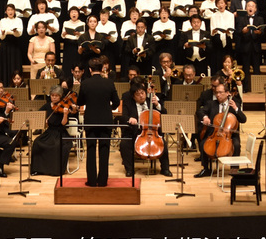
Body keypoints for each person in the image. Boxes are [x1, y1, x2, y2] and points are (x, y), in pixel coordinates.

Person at [76, 56, 120, 187]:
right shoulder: (109, 83)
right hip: (106, 120)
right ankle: (102, 181)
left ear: (90, 70)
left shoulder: (85, 83)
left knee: (90, 150)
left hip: (90, 120)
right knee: (104, 150)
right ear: (102, 69)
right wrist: (109, 108)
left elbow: (80, 102)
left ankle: (91, 180)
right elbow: (116, 102)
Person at [119, 76, 172, 178]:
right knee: (124, 144)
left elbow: (164, 113)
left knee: (163, 144)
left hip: (152, 132)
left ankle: (165, 169)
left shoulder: (151, 101)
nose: (141, 96)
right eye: (137, 94)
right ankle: (129, 169)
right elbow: (123, 117)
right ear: (133, 96)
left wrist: (157, 105)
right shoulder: (128, 103)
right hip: (135, 132)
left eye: (142, 93)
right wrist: (130, 119)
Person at [196, 82, 246, 177]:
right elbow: (200, 111)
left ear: (227, 93)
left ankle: (234, 169)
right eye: (216, 93)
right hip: (214, 133)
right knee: (202, 144)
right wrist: (205, 117)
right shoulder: (211, 104)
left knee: (236, 144)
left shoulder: (234, 104)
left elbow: (243, 119)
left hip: (230, 135)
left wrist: (236, 109)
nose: (218, 95)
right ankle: (206, 169)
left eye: (220, 92)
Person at [30, 85, 73, 176]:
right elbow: (39, 115)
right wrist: (43, 120)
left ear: (60, 96)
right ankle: (38, 169)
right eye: (52, 95)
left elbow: (63, 123)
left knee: (56, 146)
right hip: (49, 132)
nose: (54, 97)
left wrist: (65, 114)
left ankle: (54, 170)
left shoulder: (64, 107)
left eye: (56, 95)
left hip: (60, 132)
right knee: (37, 142)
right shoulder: (47, 105)